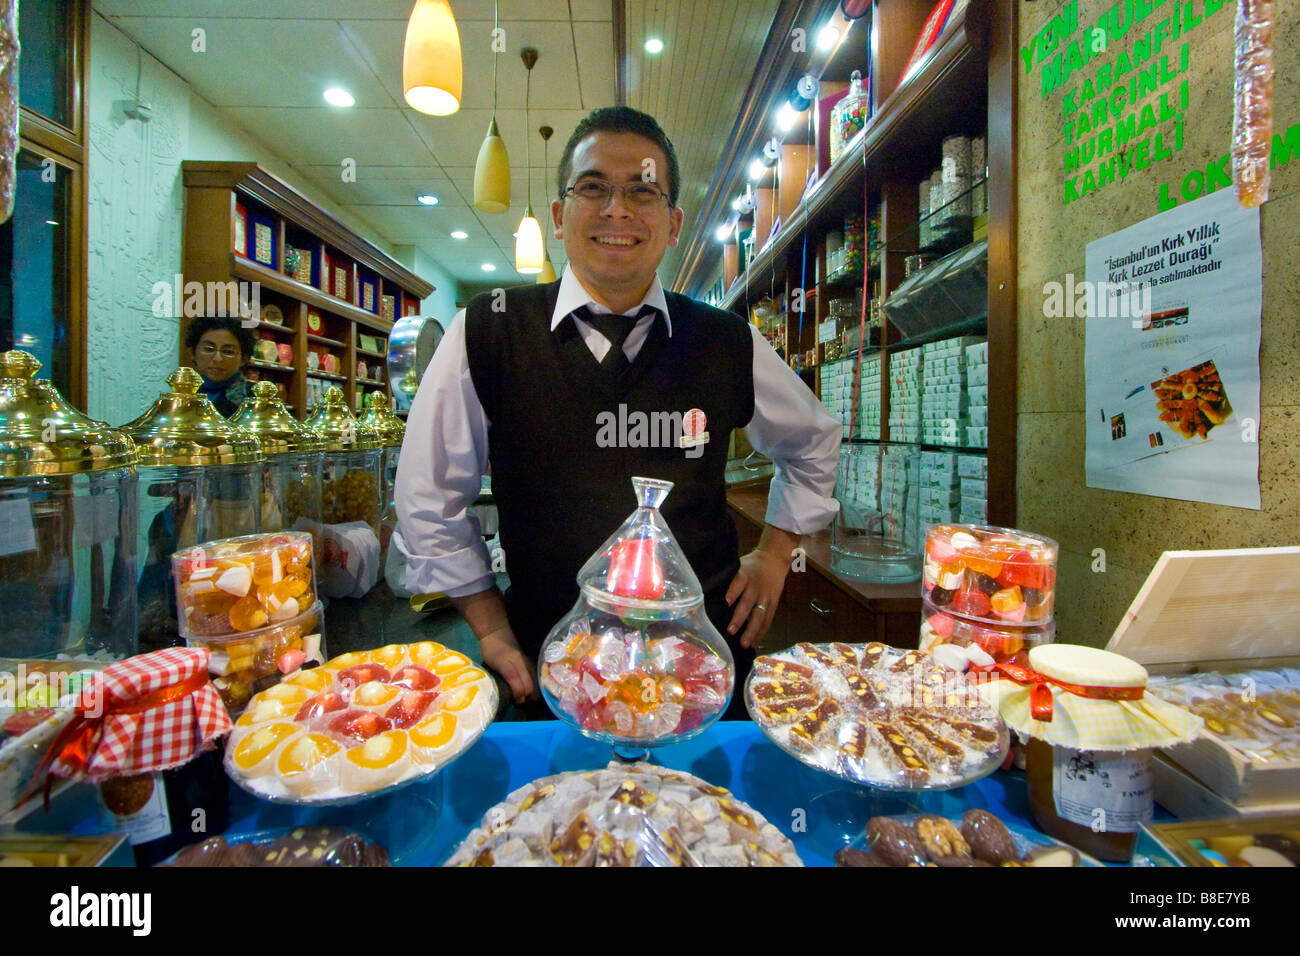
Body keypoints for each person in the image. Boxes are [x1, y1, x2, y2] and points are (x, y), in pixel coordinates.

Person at [394, 106, 840, 716]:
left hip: (703, 673)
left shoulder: (725, 339)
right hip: (548, 667)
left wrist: (773, 552)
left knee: (717, 814)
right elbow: (428, 495)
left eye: (643, 191)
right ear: (559, 214)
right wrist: (490, 627)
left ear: (674, 221)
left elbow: (813, 440)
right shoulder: (490, 330)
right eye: (593, 187)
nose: (617, 209)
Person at [185, 316, 255, 417]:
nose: (217, 359)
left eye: (228, 352)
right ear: (192, 353)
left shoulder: (255, 398)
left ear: (244, 358)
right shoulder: (183, 395)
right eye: (209, 349)